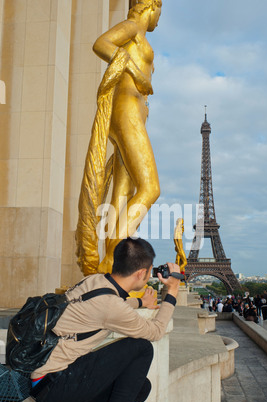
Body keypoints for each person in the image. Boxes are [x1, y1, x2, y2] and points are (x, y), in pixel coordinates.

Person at [30, 237, 180, 402]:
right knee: (141, 348)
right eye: (148, 272)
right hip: (55, 383)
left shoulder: (96, 280)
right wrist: (172, 292)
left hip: (44, 380)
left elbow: (108, 305)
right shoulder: (111, 306)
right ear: (141, 273)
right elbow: (155, 331)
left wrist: (140, 302)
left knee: (140, 388)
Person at [76, 0, 163, 276]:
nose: (159, 19)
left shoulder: (139, 34)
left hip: (129, 114)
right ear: (152, 5)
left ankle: (110, 260)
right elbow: (101, 44)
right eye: (160, 11)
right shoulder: (133, 28)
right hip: (126, 113)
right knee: (150, 188)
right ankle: (115, 259)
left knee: (122, 195)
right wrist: (136, 73)